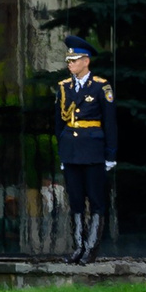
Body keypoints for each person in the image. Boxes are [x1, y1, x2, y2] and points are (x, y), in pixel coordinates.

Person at [54, 36, 117, 265]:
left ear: (86, 61)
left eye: (74, 59)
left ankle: (91, 249)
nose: (69, 63)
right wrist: (62, 153)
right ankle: (78, 247)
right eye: (68, 59)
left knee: (96, 200)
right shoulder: (64, 87)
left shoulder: (101, 87)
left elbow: (110, 123)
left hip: (93, 152)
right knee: (77, 201)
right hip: (71, 151)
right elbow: (59, 125)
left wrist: (110, 155)